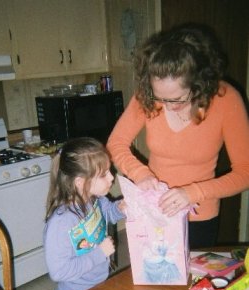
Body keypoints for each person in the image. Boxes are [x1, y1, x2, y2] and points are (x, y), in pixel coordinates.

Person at [107, 23, 249, 249]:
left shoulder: (226, 100)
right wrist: (140, 173)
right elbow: (116, 143)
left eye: (177, 99)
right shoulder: (148, 95)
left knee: (191, 282)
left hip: (199, 216)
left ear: (199, 83)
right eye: (159, 97)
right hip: (153, 212)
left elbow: (245, 171)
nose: (165, 105)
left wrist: (193, 192)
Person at [44, 137, 126, 290]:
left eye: (110, 171)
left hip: (98, 284)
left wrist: (120, 208)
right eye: (103, 175)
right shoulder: (62, 222)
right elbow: (59, 271)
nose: (112, 177)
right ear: (80, 183)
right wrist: (100, 253)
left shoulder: (94, 198)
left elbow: (108, 213)